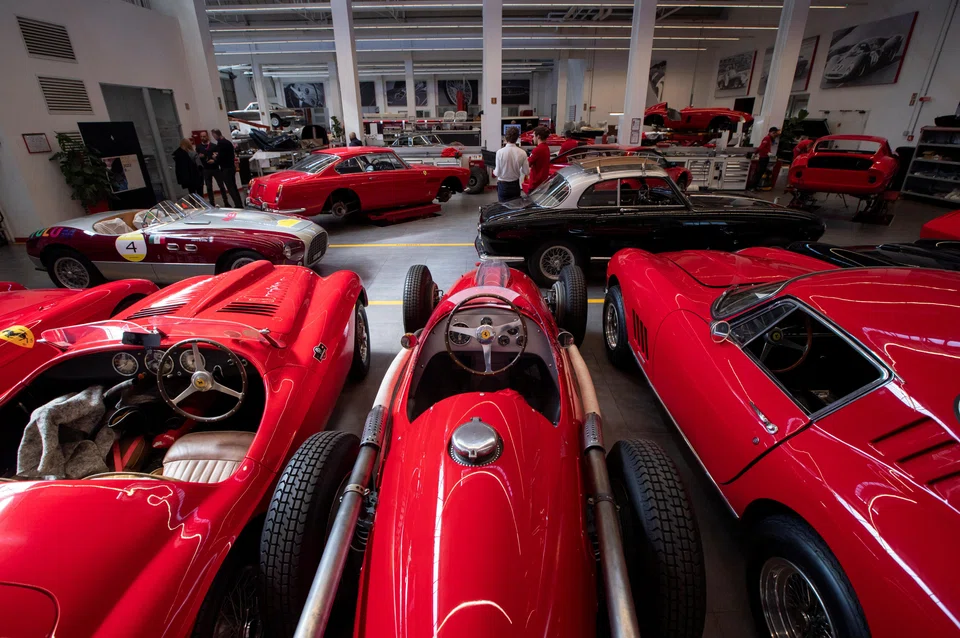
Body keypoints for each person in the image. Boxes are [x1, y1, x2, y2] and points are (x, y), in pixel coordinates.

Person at [493, 126, 528, 202]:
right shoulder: (522, 153)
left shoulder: (500, 152)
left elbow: (497, 173)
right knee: (514, 210)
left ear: (505, 138)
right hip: (515, 185)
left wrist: (494, 171)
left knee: (502, 209)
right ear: (517, 138)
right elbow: (526, 172)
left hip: (503, 186)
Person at [211, 128, 243, 208]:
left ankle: (237, 205)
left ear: (215, 135)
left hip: (226, 168)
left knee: (230, 188)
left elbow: (221, 157)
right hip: (231, 167)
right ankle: (239, 203)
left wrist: (215, 158)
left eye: (213, 135)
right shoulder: (228, 142)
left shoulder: (221, 144)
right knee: (234, 187)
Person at [197, 132, 226, 206]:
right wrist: (200, 157)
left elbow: (218, 156)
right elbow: (197, 157)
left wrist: (214, 160)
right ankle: (211, 202)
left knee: (221, 185)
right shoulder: (199, 147)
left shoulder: (213, 146)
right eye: (201, 136)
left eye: (204, 136)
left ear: (207, 136)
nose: (203, 138)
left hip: (215, 168)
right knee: (209, 187)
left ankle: (225, 201)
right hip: (206, 169)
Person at [750, 126, 780, 191]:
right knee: (759, 172)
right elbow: (761, 147)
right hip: (763, 157)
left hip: (765, 157)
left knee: (761, 172)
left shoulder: (769, 139)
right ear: (771, 132)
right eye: (774, 133)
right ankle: (752, 187)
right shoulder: (767, 138)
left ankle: (755, 186)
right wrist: (755, 153)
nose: (775, 135)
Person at [527, 125, 551, 192]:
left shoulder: (537, 150)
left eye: (534, 136)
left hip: (535, 184)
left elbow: (528, 164)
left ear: (538, 136)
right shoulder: (546, 148)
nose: (533, 138)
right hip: (542, 183)